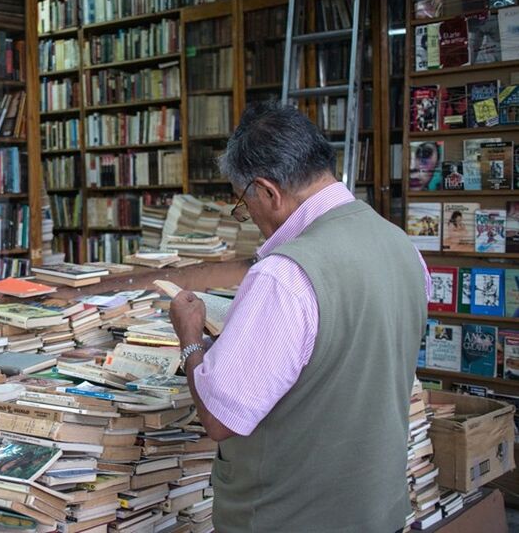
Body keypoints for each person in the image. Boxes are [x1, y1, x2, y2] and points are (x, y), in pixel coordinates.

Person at [170, 103, 431, 533]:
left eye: (244, 203)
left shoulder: (284, 275)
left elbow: (220, 419)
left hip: (289, 516)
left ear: (268, 192)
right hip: (378, 510)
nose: (249, 217)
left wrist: (192, 340)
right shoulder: (403, 246)